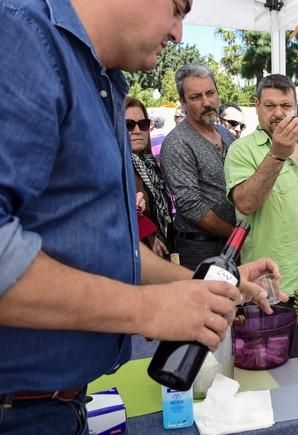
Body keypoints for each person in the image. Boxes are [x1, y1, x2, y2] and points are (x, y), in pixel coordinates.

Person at [0, 1, 283, 433]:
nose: (178, 34)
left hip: (60, 406)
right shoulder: (21, 37)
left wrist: (204, 286)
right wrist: (143, 309)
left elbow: (111, 249)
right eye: (177, 8)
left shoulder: (100, 80)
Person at [225, 74, 298, 295]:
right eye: (270, 105)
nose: (279, 113)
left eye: (286, 105)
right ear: (257, 106)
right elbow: (245, 203)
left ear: (296, 108)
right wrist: (277, 155)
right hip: (271, 289)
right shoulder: (242, 149)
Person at [160, 64, 236, 271]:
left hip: (233, 245)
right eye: (195, 97)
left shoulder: (227, 134)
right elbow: (192, 207)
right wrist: (236, 235)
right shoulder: (177, 143)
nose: (206, 102)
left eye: (210, 93)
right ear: (183, 103)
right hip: (200, 248)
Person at [125, 96, 175, 257]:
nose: (137, 130)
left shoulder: (150, 164)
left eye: (143, 124)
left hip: (162, 250)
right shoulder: (115, 166)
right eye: (129, 125)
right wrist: (149, 236)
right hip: (137, 256)